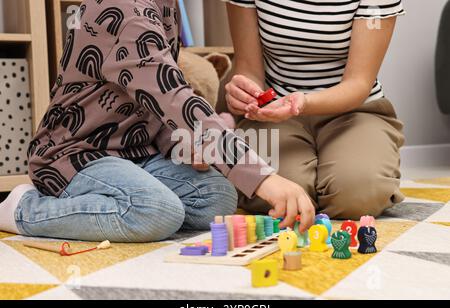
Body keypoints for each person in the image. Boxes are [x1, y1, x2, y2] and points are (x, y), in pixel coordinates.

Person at [0, 0, 315, 242]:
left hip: (137, 151)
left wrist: (181, 143)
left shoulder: (164, 6)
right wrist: (263, 178)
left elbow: (151, 97)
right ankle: (25, 209)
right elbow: (173, 97)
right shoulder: (122, 10)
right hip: (74, 155)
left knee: (217, 198)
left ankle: (123, 198)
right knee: (155, 211)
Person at [224, 0, 406, 219]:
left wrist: (303, 103)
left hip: (356, 111)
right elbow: (248, 67)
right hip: (274, 114)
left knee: (358, 195)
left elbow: (358, 83)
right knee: (279, 194)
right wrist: (246, 92)